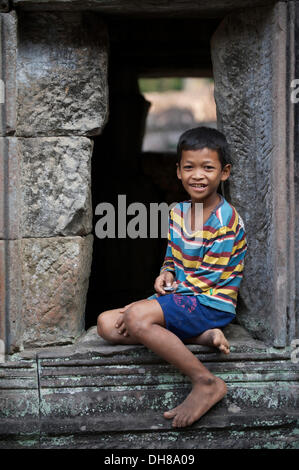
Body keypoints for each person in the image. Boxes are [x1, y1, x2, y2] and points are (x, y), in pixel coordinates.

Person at [97, 126, 247, 428]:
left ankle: (205, 382)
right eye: (189, 167)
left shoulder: (225, 219)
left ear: (224, 172)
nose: (198, 175)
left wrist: (146, 305)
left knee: (137, 318)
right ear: (178, 171)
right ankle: (200, 338)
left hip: (210, 303)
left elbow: (208, 279)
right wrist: (165, 273)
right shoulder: (178, 212)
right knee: (105, 325)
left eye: (208, 168)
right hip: (182, 298)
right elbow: (173, 257)